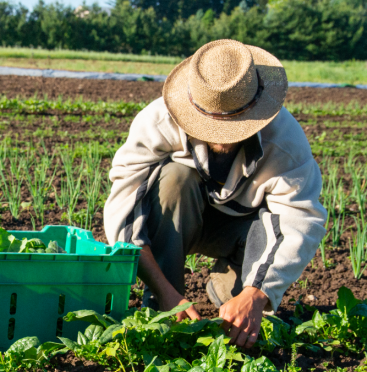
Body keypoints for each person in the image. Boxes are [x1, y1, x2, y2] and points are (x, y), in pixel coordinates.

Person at [103, 39, 326, 349]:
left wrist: (256, 294)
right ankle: (162, 308)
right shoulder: (157, 122)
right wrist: (166, 293)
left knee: (243, 312)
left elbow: (300, 220)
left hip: (240, 232)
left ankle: (230, 286)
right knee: (174, 179)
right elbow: (124, 213)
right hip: (180, 220)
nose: (222, 136)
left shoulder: (284, 141)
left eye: (234, 125)